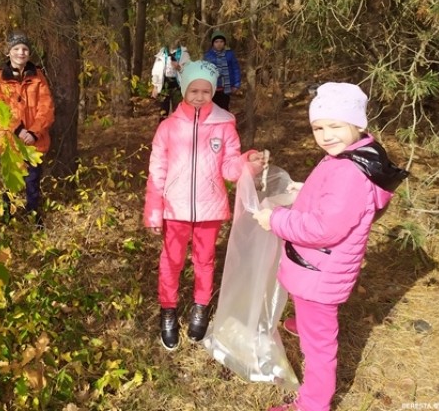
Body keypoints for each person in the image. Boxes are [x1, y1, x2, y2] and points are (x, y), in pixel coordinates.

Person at [252, 82, 408, 411]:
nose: (326, 135)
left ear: (358, 124)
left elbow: (325, 228)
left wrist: (276, 219)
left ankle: (313, 404)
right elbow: (338, 200)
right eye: (318, 127)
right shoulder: (356, 156)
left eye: (335, 126)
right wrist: (305, 189)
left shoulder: (349, 171)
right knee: (311, 316)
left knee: (319, 348)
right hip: (318, 268)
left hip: (319, 272)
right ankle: (305, 324)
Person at [144, 60, 266, 351]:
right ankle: (168, 309)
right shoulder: (168, 128)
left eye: (206, 91)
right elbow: (157, 170)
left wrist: (247, 164)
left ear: (213, 92)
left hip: (210, 207)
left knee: (205, 259)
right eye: (193, 90)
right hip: (174, 209)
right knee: (171, 261)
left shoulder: (224, 125)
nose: (199, 96)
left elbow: (229, 167)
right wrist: (153, 211)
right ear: (184, 91)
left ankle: (201, 305)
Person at [0, 31, 55, 226]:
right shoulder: (0, 79)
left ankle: (34, 219)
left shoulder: (38, 77)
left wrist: (34, 132)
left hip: (34, 143)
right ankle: (7, 220)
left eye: (25, 49)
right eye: (16, 49)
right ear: (8, 53)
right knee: (9, 183)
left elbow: (47, 107)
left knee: (32, 183)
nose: (21, 52)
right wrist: (18, 130)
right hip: (10, 142)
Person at [150, 42, 191, 119]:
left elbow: (189, 72)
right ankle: (163, 129)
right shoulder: (162, 52)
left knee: (178, 112)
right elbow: (156, 70)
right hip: (164, 85)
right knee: (163, 111)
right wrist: (155, 86)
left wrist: (179, 67)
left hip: (178, 86)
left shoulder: (184, 53)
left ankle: (178, 130)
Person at [203, 30, 241, 111]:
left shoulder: (229, 54)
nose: (219, 44)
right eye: (216, 42)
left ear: (224, 43)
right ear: (213, 43)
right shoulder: (208, 56)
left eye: (221, 41)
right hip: (212, 88)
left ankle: (225, 123)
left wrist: (236, 84)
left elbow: (235, 69)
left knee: (224, 109)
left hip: (225, 88)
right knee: (211, 110)